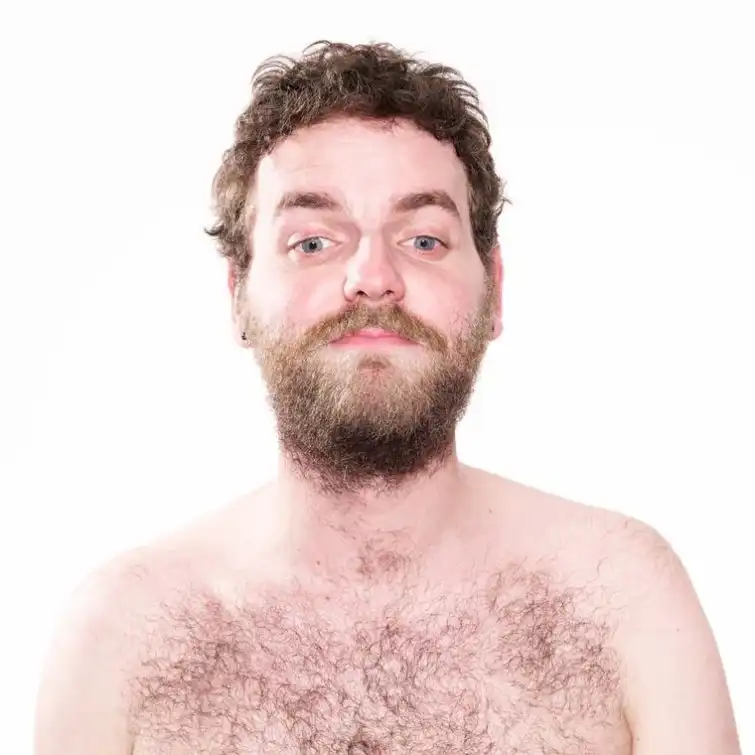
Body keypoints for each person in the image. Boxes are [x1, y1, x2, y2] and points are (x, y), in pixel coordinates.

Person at [34, 40, 741, 754]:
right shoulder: (122, 636)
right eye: (313, 242)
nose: (372, 278)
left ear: (494, 291)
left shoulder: (622, 597)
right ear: (238, 297)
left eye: (424, 240)